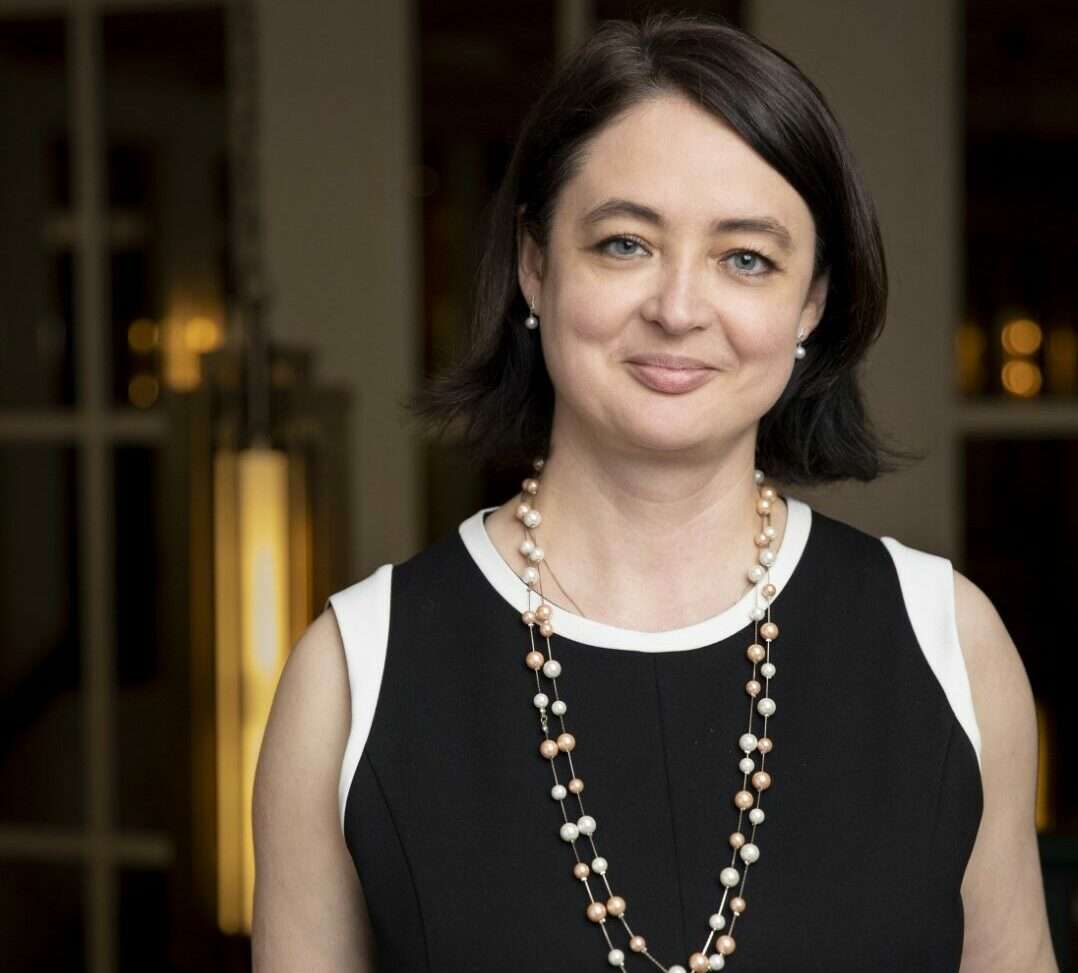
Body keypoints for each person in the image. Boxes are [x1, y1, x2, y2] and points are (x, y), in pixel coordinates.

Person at [251, 12, 1057, 973]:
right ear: (535, 265)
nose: (678, 308)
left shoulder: (952, 643)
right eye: (625, 243)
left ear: (811, 301)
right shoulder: (350, 676)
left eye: (746, 258)